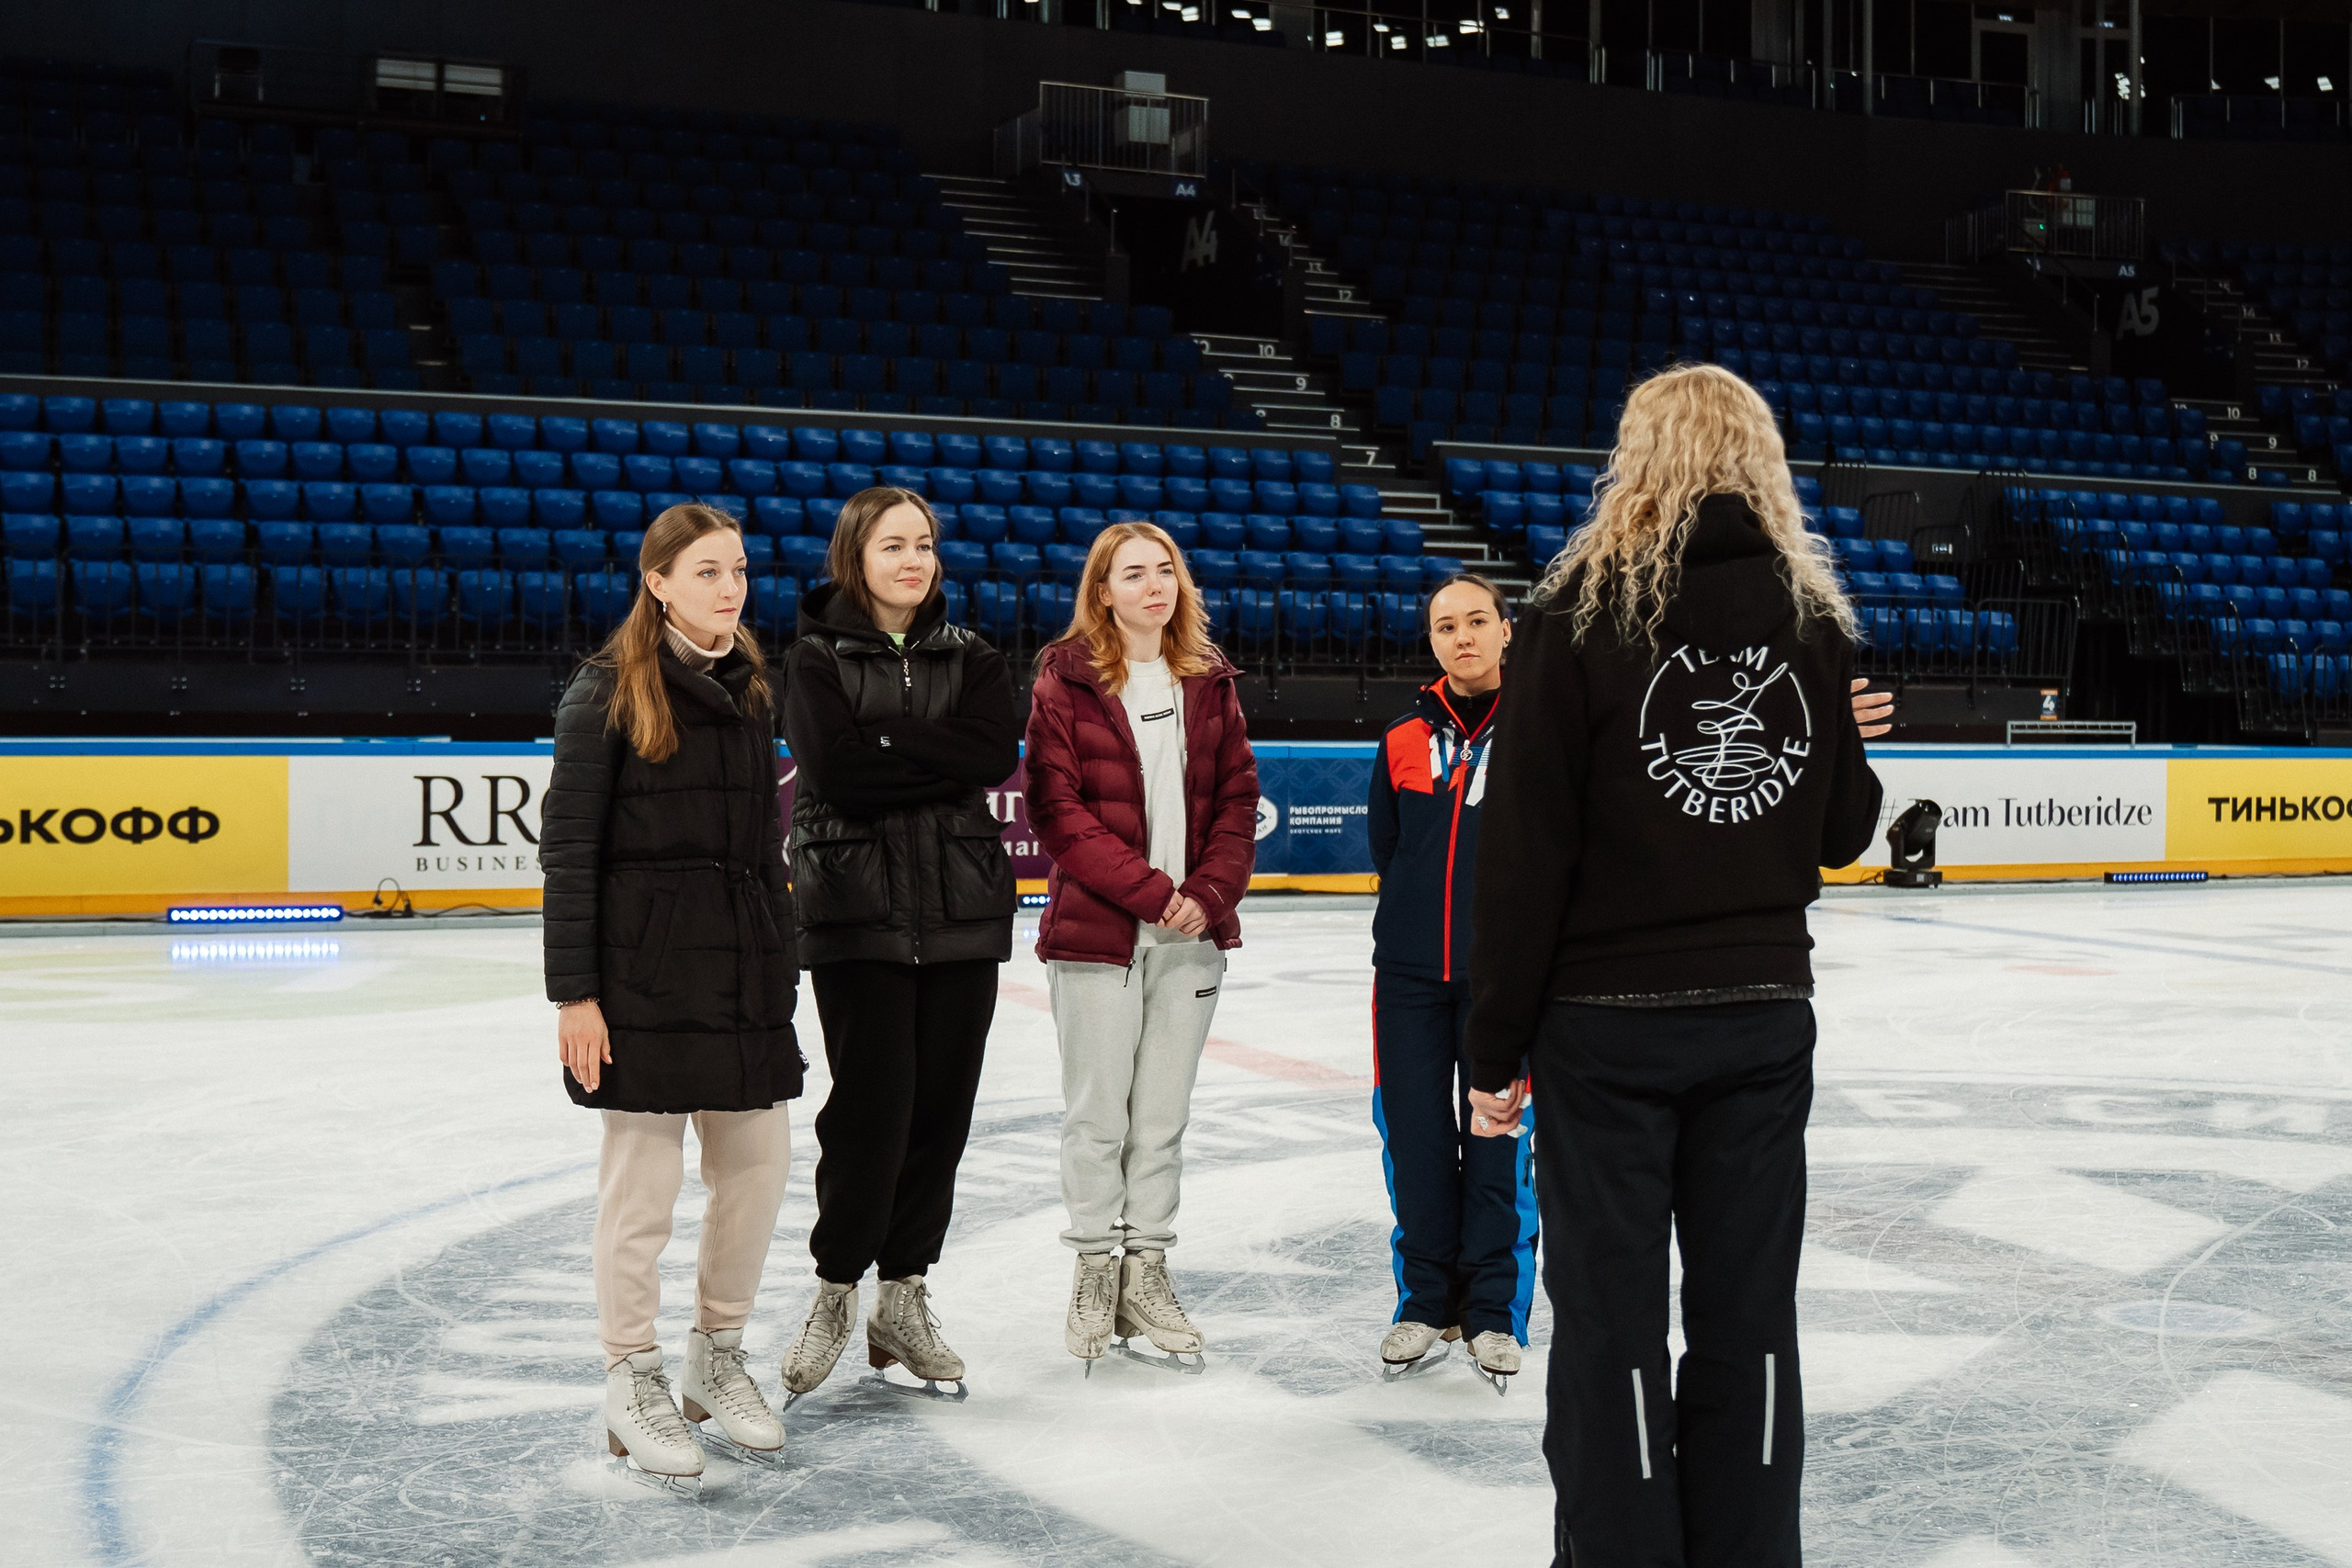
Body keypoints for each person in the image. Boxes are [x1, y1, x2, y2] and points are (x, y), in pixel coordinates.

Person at [1464, 362, 1883, 1568]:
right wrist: (1839, 729)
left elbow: (1527, 854)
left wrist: (1493, 1044)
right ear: (1759, 462)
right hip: (1760, 1014)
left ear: (1635, 461)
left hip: (1606, 1029)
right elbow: (1845, 829)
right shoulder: (1809, 617)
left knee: (1612, 1326)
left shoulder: (1575, 614)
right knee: (1750, 1320)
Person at [542, 502, 802, 1483]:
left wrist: (778, 949)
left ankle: (716, 1357)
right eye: (705, 572)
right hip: (641, 976)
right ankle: (630, 1374)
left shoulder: (751, 683)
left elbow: (756, 848)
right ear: (656, 582)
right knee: (641, 1193)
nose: (729, 588)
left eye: (736, 570)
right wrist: (576, 995)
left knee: (757, 1171)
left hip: (740, 969)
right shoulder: (605, 689)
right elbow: (569, 853)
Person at [776, 485, 1020, 1399]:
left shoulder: (978, 658)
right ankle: (836, 1289)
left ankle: (903, 1295)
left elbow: (994, 753)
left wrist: (887, 740)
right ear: (855, 557)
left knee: (940, 1117)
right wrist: (931, 751)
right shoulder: (810, 659)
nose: (913, 560)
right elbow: (835, 772)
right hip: (855, 915)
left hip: (960, 915)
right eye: (892, 546)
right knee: (870, 1114)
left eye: (923, 544)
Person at [1023, 520, 1260, 1367]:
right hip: (1102, 935)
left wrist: (1207, 893)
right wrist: (1156, 893)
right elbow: (1059, 813)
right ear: (1104, 591)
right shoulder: (1065, 681)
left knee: (1160, 1118)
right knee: (1096, 1116)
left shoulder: (1211, 679)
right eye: (1135, 573)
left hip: (1192, 937)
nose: (1155, 585)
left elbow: (1239, 799)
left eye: (1166, 571)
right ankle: (1094, 1269)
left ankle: (1146, 1272)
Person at [1365, 573, 1537, 1388]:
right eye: (1444, 626)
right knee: (1417, 1138)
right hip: (1405, 977)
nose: (1461, 637)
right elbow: (1388, 847)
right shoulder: (1401, 734)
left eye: (1477, 621)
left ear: (1507, 631)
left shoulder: (1545, 729)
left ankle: (1494, 1311)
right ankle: (1425, 1301)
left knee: (1499, 1134)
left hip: (1505, 978)